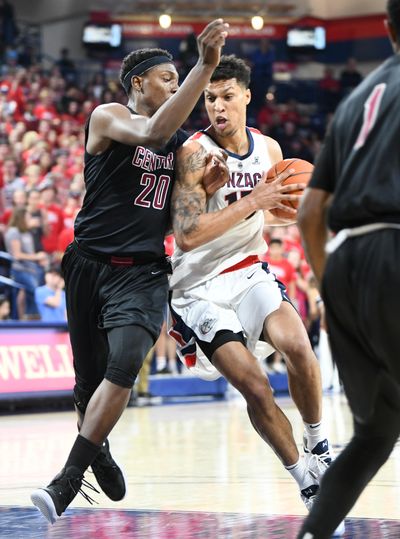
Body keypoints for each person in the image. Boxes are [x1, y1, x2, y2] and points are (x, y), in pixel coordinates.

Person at [30, 19, 230, 524]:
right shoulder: (108, 116)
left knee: (122, 365)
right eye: (168, 77)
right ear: (139, 82)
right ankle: (97, 448)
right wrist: (205, 66)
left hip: (141, 272)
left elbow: (181, 222)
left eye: (179, 76)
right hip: (88, 264)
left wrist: (204, 189)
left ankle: (67, 480)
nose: (175, 83)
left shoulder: (183, 146)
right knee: (86, 383)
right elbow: (151, 130)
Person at [169, 54, 343, 535]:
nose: (218, 107)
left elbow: (269, 214)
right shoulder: (193, 153)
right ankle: (306, 482)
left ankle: (318, 444)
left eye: (227, 97)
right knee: (255, 385)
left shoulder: (269, 149)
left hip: (248, 270)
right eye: (210, 98)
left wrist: (289, 207)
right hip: (197, 286)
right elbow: (185, 236)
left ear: (247, 97)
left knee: (299, 348)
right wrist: (254, 200)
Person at [296, 2, 400, 537]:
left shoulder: (356, 100)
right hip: (393, 253)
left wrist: (329, 291)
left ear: (388, 29)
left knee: (374, 435)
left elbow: (310, 214)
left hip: (342, 266)